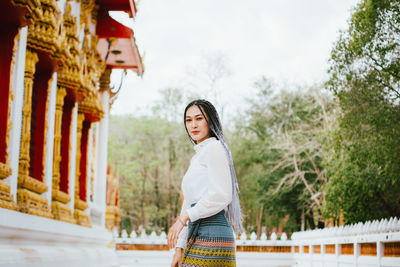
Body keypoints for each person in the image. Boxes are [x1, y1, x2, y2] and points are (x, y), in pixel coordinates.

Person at [168, 99, 243, 267]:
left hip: (213, 232)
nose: (193, 124)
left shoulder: (215, 148)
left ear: (210, 120)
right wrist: (179, 248)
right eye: (188, 120)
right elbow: (189, 203)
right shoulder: (198, 157)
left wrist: (184, 217)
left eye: (199, 118)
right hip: (196, 232)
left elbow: (221, 195)